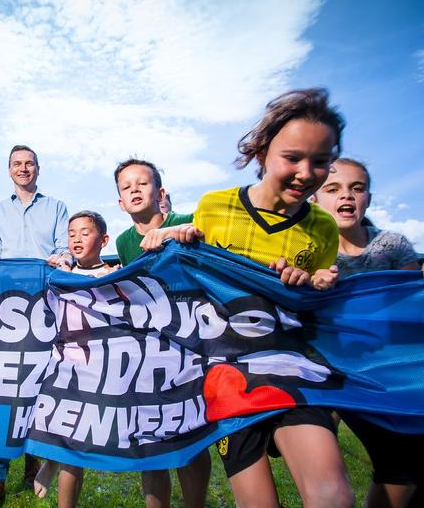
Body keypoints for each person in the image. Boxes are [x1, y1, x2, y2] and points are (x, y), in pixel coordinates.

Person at [146, 88, 353, 507]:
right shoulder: (215, 207)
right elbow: (191, 285)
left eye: (320, 161)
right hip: (227, 374)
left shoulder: (324, 229)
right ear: (262, 154)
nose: (306, 172)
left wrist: (312, 282)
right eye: (292, 157)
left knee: (333, 497)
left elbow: (319, 298)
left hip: (293, 365)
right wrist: (180, 242)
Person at [313, 158, 424, 508]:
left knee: (421, 465)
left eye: (357, 189)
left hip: (393, 371)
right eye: (333, 189)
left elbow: (414, 306)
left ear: (368, 198)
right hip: (339, 372)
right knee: (402, 466)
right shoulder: (306, 252)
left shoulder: (389, 245)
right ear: (314, 199)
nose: (347, 196)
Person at [0, 145, 69, 507]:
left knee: (42, 382)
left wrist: (62, 258)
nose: (23, 168)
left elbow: (64, 250)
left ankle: (34, 461)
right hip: (10, 308)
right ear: (8, 170)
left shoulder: (56, 208)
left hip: (47, 304)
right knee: (5, 385)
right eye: (17, 163)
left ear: (38, 169)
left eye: (29, 163)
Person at [112, 158, 212, 508]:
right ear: (121, 202)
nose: (135, 190)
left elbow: (211, 235)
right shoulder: (125, 241)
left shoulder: (185, 223)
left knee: (191, 434)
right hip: (150, 350)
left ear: (160, 192)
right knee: (150, 437)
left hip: (194, 345)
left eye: (142, 183)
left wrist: (174, 234)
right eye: (127, 187)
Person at [36, 210, 114, 507]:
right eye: (72, 234)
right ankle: (55, 462)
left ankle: (56, 461)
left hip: (100, 367)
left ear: (104, 240)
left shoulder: (114, 274)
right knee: (68, 435)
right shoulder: (60, 275)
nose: (77, 239)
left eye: (85, 232)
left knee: (80, 439)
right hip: (65, 363)